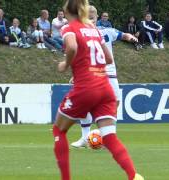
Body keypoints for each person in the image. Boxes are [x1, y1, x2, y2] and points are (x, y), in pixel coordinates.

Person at [54, 0, 143, 180]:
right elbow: (109, 59)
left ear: (66, 11)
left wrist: (66, 64)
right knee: (110, 137)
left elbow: (71, 47)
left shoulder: (68, 28)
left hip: (86, 87)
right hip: (104, 86)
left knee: (59, 130)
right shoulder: (95, 30)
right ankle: (134, 176)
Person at [71, 5, 138, 148]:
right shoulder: (80, 35)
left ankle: (108, 137)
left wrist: (130, 37)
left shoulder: (107, 31)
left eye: (92, 17)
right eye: (86, 17)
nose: (90, 20)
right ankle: (84, 137)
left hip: (110, 75)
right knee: (84, 105)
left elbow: (122, 35)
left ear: (97, 18)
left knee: (115, 104)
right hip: (91, 75)